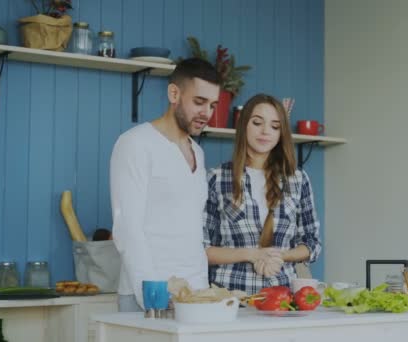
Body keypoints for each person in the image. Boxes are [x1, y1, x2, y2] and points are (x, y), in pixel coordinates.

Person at [110, 58, 220, 311]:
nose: (207, 114)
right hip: (150, 297)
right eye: (199, 102)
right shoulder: (135, 144)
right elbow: (127, 229)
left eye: (213, 105)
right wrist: (154, 298)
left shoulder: (197, 152)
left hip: (195, 294)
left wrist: (200, 291)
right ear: (174, 93)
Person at [203, 93, 322, 295]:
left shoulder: (298, 179)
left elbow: (312, 243)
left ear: (281, 133)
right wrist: (252, 254)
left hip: (283, 298)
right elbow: (203, 250)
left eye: (275, 126)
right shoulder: (217, 178)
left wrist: (279, 256)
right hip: (230, 299)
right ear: (244, 126)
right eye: (257, 122)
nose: (266, 131)